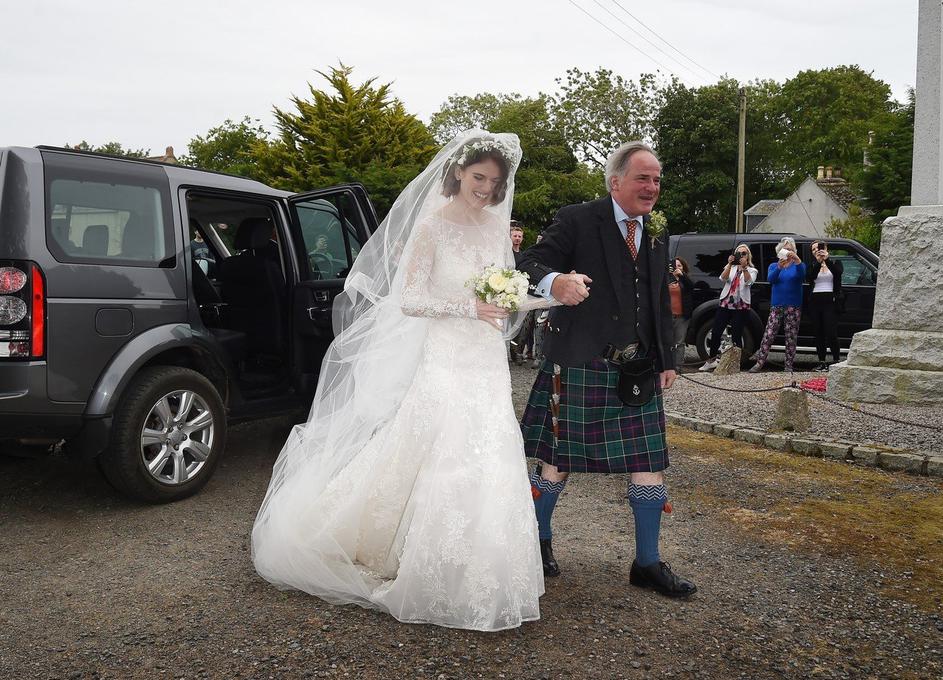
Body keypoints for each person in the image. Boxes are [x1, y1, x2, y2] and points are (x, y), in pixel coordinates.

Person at [251, 130, 544, 632]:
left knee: (489, 447)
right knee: (439, 446)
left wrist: (535, 299)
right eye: (478, 177)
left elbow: (507, 290)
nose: (485, 188)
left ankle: (484, 564)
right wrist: (467, 308)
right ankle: (406, 554)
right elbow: (409, 300)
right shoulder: (432, 226)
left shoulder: (497, 230)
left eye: (494, 182)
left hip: (485, 357)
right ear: (458, 172)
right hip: (446, 352)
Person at [518, 141, 697, 598]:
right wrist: (555, 281)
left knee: (649, 463)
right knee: (555, 463)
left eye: (657, 179)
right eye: (643, 178)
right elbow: (527, 261)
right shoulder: (579, 218)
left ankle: (648, 562)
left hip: (636, 369)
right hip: (580, 360)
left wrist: (668, 358)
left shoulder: (653, 232)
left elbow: (659, 300)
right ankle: (535, 544)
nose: (652, 187)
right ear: (615, 181)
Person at [749, 237, 806, 373]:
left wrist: (797, 260)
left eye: (790, 249)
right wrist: (780, 267)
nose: (788, 252)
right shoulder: (774, 266)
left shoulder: (799, 265)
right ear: (780, 251)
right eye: (785, 249)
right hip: (777, 305)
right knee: (769, 334)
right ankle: (759, 362)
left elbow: (802, 275)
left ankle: (788, 366)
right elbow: (771, 279)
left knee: (791, 336)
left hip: (794, 306)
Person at [699, 245, 758, 372]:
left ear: (748, 256)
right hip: (726, 303)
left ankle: (734, 364)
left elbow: (749, 282)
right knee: (716, 332)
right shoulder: (730, 267)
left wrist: (744, 268)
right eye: (739, 253)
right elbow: (723, 278)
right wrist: (730, 264)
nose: (741, 255)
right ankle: (711, 360)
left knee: (737, 335)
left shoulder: (752, 270)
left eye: (744, 253)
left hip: (741, 306)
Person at [807, 239, 843, 371]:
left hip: (830, 300)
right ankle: (822, 361)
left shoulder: (835, 263)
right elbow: (810, 277)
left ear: (826, 248)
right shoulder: (812, 265)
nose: (817, 250)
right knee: (819, 332)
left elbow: (838, 274)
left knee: (831, 331)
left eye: (819, 248)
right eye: (813, 249)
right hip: (815, 300)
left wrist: (826, 260)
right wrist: (818, 263)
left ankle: (836, 360)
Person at [668, 256, 694, 369]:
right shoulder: (666, 278)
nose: (677, 268)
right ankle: (666, 365)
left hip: (682, 316)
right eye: (675, 265)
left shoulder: (685, 279)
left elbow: (691, 286)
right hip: (667, 316)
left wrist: (681, 276)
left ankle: (678, 366)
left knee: (679, 342)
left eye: (679, 265)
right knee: (667, 341)